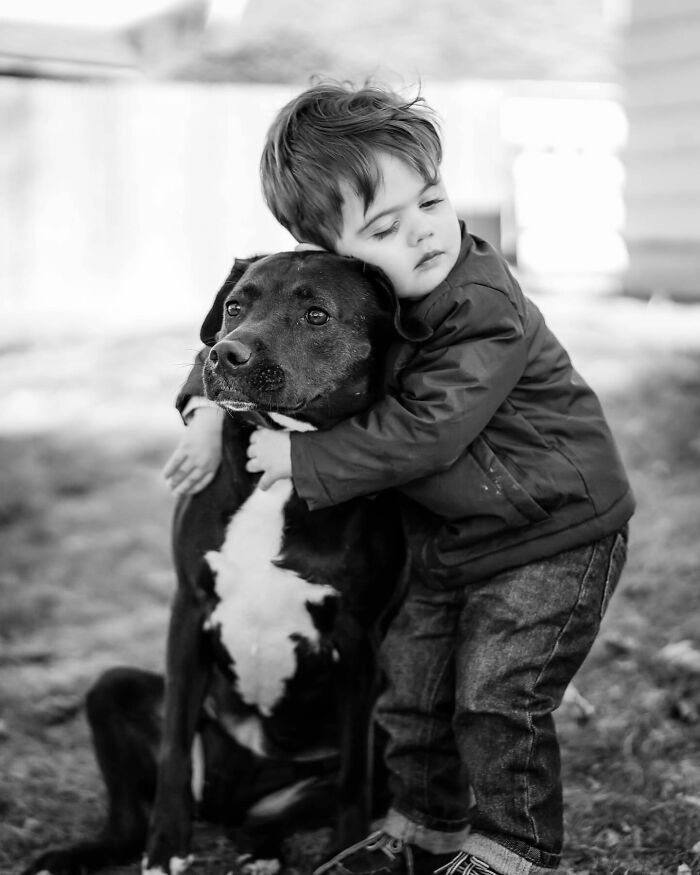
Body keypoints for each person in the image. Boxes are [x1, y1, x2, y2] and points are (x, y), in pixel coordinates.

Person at [167, 82, 635, 875]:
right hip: (452, 537)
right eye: (385, 226)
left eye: (432, 201)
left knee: (495, 694)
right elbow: (237, 340)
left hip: (550, 534)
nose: (421, 233)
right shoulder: (366, 298)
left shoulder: (484, 305)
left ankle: (512, 847)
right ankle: (420, 827)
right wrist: (209, 408)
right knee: (410, 684)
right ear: (344, 259)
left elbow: (427, 430)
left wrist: (302, 459)